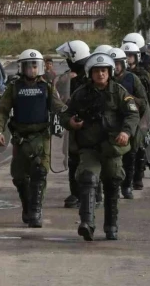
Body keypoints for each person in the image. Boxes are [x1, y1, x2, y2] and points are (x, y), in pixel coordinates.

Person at [62, 53, 138, 241]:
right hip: (89, 147)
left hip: (112, 148)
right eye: (96, 71)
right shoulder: (80, 93)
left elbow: (132, 115)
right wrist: (70, 122)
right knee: (87, 179)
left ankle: (111, 225)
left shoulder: (120, 93)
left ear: (110, 72)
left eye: (104, 70)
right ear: (90, 73)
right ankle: (87, 223)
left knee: (112, 184)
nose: (100, 74)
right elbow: (66, 114)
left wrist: (126, 132)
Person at [0, 49, 66, 227]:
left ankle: (36, 211)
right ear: (22, 67)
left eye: (35, 66)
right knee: (19, 177)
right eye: (29, 66)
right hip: (21, 138)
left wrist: (70, 116)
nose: (32, 70)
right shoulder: (14, 87)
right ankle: (27, 205)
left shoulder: (47, 87)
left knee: (39, 172)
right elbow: (2, 110)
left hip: (41, 137)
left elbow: (58, 107)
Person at [109, 47, 149, 200]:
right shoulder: (105, 79)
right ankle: (112, 187)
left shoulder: (132, 79)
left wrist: (128, 99)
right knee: (111, 157)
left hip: (131, 122)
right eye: (113, 63)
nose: (116, 66)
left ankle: (127, 186)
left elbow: (143, 102)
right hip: (112, 124)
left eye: (118, 63)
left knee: (130, 156)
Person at [56, 40, 91, 209]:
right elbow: (63, 97)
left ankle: (95, 193)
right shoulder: (71, 76)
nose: (67, 61)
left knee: (90, 159)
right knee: (72, 159)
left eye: (69, 57)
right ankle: (75, 193)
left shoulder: (90, 75)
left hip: (90, 126)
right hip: (73, 125)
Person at [122, 42, 150, 182]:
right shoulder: (120, 75)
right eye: (125, 55)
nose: (128, 58)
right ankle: (135, 176)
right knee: (133, 147)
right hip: (127, 114)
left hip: (145, 112)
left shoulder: (144, 74)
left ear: (137, 56)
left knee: (149, 141)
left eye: (130, 56)